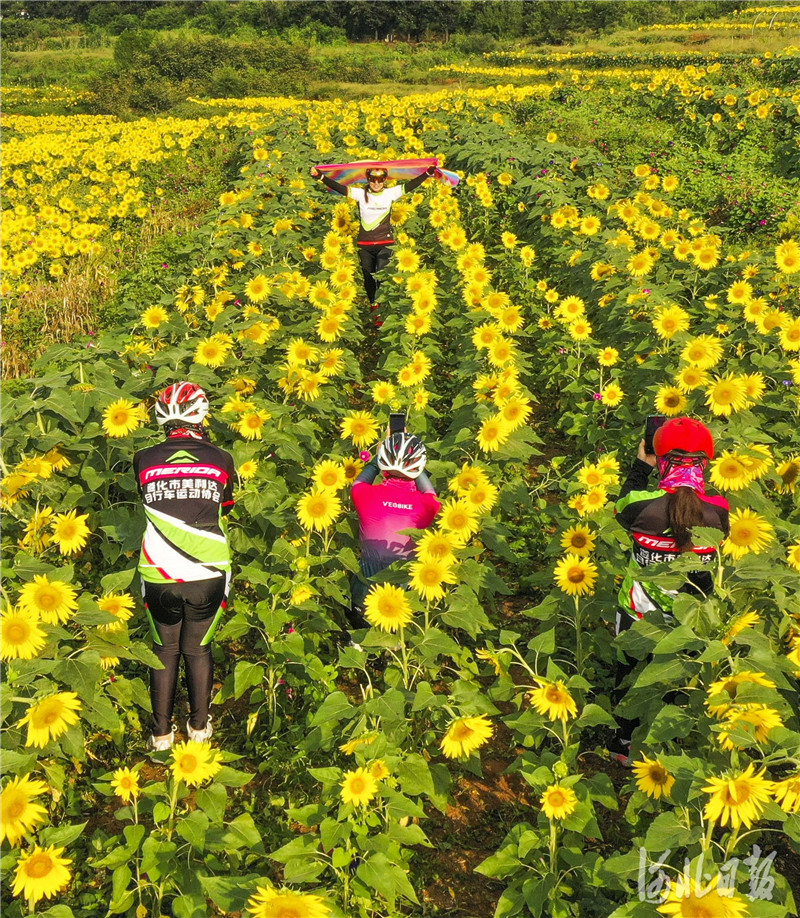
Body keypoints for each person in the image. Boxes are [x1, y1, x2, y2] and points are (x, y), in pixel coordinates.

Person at [610, 417, 730, 758]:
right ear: (705, 463)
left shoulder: (639, 506)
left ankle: (624, 744)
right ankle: (670, 745)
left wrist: (640, 466)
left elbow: (622, 507)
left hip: (638, 611)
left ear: (660, 459)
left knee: (630, 677)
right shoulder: (718, 511)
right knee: (679, 681)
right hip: (690, 620)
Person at [133, 382, 234, 751]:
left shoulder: (143, 458)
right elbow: (227, 507)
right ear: (200, 415)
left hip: (158, 570)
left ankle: (160, 736)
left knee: (163, 650)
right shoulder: (220, 458)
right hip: (207, 571)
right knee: (197, 650)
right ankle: (199, 729)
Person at [310, 163, 436, 313]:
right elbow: (339, 188)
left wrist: (427, 173)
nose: (377, 183)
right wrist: (320, 177)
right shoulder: (360, 194)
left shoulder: (390, 194)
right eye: (373, 179)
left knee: (382, 275)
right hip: (365, 244)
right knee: (368, 278)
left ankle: (383, 309)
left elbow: (411, 185)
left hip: (385, 243)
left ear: (384, 180)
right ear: (368, 179)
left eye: (380, 179)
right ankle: (373, 306)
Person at [349, 431, 441, 633]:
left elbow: (359, 482)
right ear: (419, 466)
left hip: (364, 595)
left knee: (361, 634)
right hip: (404, 598)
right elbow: (430, 493)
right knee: (400, 639)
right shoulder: (427, 505)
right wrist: (418, 470)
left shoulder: (362, 494)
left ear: (383, 463)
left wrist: (376, 459)